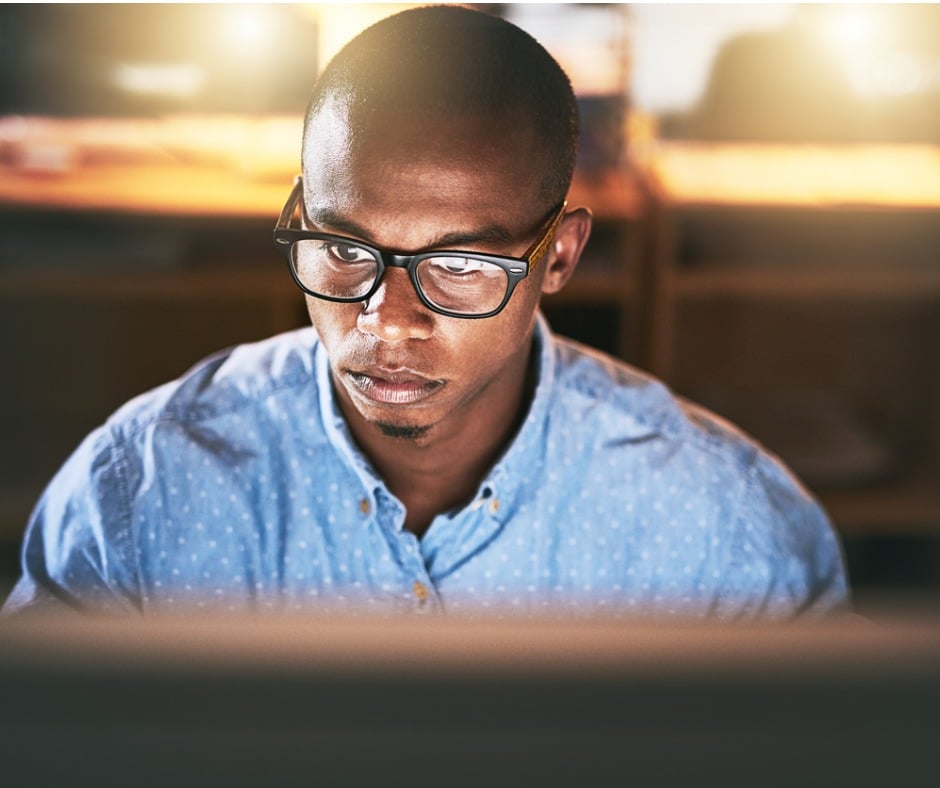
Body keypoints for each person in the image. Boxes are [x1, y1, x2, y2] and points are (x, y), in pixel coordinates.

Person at [2, 5, 848, 618]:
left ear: (558, 255)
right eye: (344, 249)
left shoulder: (723, 534)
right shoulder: (141, 494)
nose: (387, 319)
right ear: (301, 213)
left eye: (459, 265)